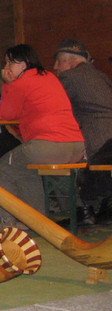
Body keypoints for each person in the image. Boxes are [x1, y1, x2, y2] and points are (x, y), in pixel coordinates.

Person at [0, 44, 85, 229]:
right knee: (26, 167)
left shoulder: (21, 82)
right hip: (76, 145)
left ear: (24, 64)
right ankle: (35, 219)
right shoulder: (49, 76)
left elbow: (6, 115)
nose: (6, 67)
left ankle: (6, 220)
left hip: (50, 146)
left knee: (3, 167)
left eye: (10, 62)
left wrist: (8, 84)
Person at [53, 39, 112, 218]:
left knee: (51, 156)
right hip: (108, 142)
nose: (55, 67)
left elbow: (53, 109)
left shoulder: (68, 78)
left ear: (71, 62)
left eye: (58, 62)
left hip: (95, 143)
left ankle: (78, 209)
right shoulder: (101, 76)